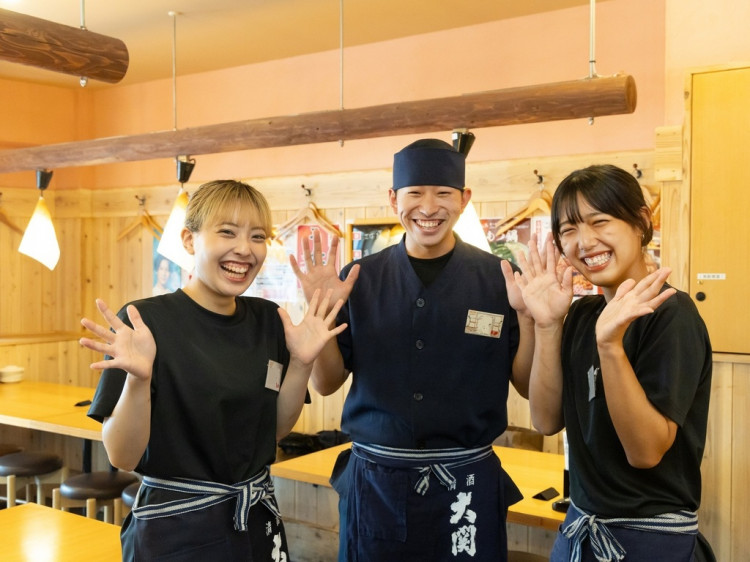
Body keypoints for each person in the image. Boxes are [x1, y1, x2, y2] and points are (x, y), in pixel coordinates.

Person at [292, 138, 535, 561]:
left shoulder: (500, 279)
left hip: (467, 483)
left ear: (464, 199)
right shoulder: (359, 278)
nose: (428, 207)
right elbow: (327, 382)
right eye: (415, 193)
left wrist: (537, 321)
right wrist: (323, 314)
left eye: (443, 193)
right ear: (393, 199)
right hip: (377, 484)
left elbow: (527, 383)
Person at [81, 180, 348, 561]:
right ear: (189, 240)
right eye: (227, 232)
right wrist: (140, 380)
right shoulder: (145, 322)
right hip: (177, 529)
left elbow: (274, 429)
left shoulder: (269, 320)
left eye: (258, 236)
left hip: (255, 520)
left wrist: (302, 363)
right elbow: (122, 456)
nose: (244, 249)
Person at [502, 164, 713, 561]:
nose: (585, 242)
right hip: (580, 530)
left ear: (641, 222)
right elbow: (546, 421)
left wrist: (611, 344)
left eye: (600, 221)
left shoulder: (672, 314)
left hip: (647, 541)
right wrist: (546, 325)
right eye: (569, 231)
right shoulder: (582, 315)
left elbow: (646, 451)